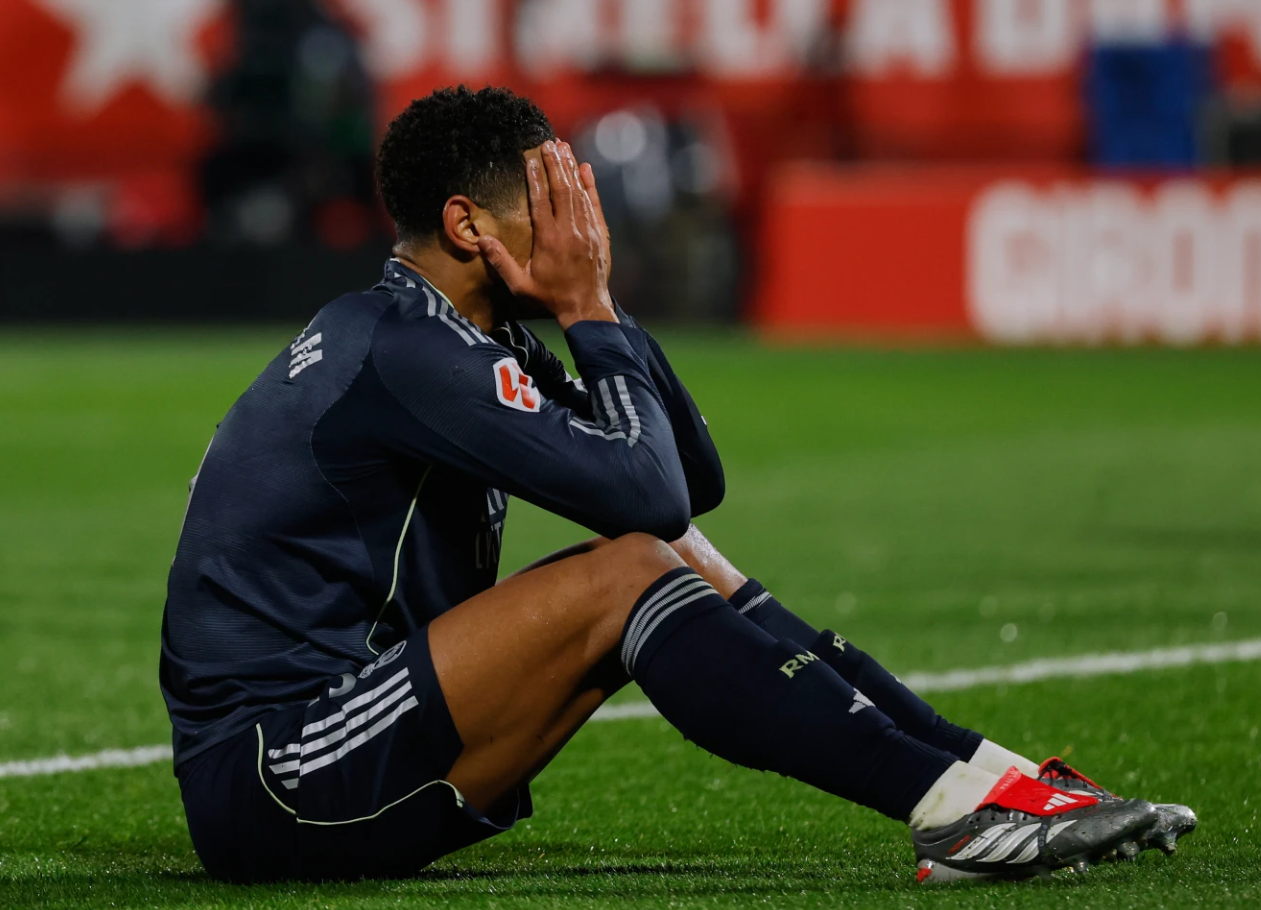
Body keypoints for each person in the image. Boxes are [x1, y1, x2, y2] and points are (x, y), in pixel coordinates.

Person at [160, 86, 1194, 886]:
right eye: (552, 201)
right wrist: (588, 306)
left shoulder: (455, 336)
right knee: (628, 575)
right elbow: (649, 496)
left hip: (350, 740)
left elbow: (689, 482)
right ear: (469, 225)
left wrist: (596, 305)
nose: (579, 223)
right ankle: (952, 810)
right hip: (276, 772)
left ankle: (991, 781)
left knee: (675, 558)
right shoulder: (403, 348)